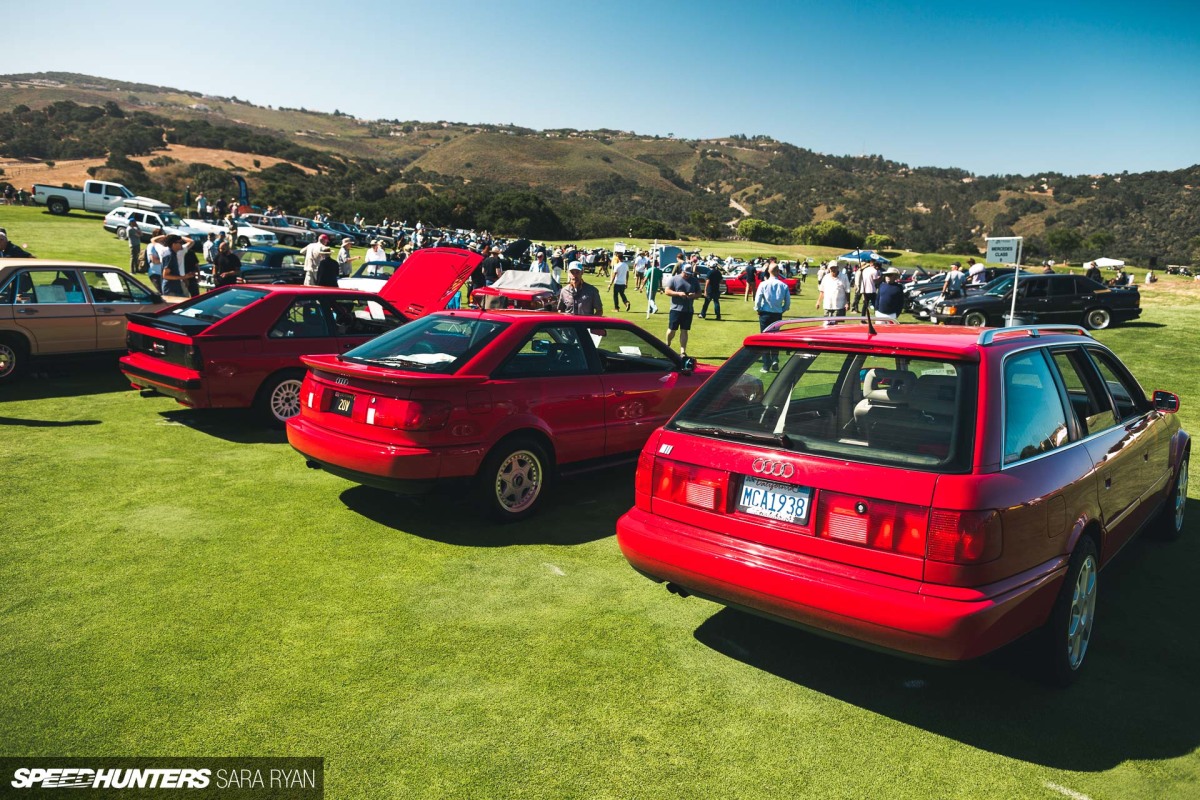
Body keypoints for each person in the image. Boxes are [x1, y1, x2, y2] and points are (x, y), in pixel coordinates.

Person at [754, 263, 791, 371]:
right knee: (775, 338)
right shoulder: (783, 285)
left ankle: (766, 364)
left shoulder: (763, 284)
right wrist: (782, 309)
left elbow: (758, 300)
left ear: (768, 271)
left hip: (765, 313)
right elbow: (787, 303)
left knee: (764, 339)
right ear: (778, 271)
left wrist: (758, 309)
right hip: (777, 314)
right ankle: (775, 358)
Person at [662, 262, 702, 356]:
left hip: (688, 310)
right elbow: (667, 291)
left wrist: (694, 295)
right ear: (682, 271)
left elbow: (699, 293)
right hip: (676, 309)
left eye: (689, 274)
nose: (687, 275)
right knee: (672, 330)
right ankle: (667, 344)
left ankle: (683, 351)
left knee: (684, 330)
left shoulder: (694, 280)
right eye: (686, 273)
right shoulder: (674, 279)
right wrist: (678, 294)